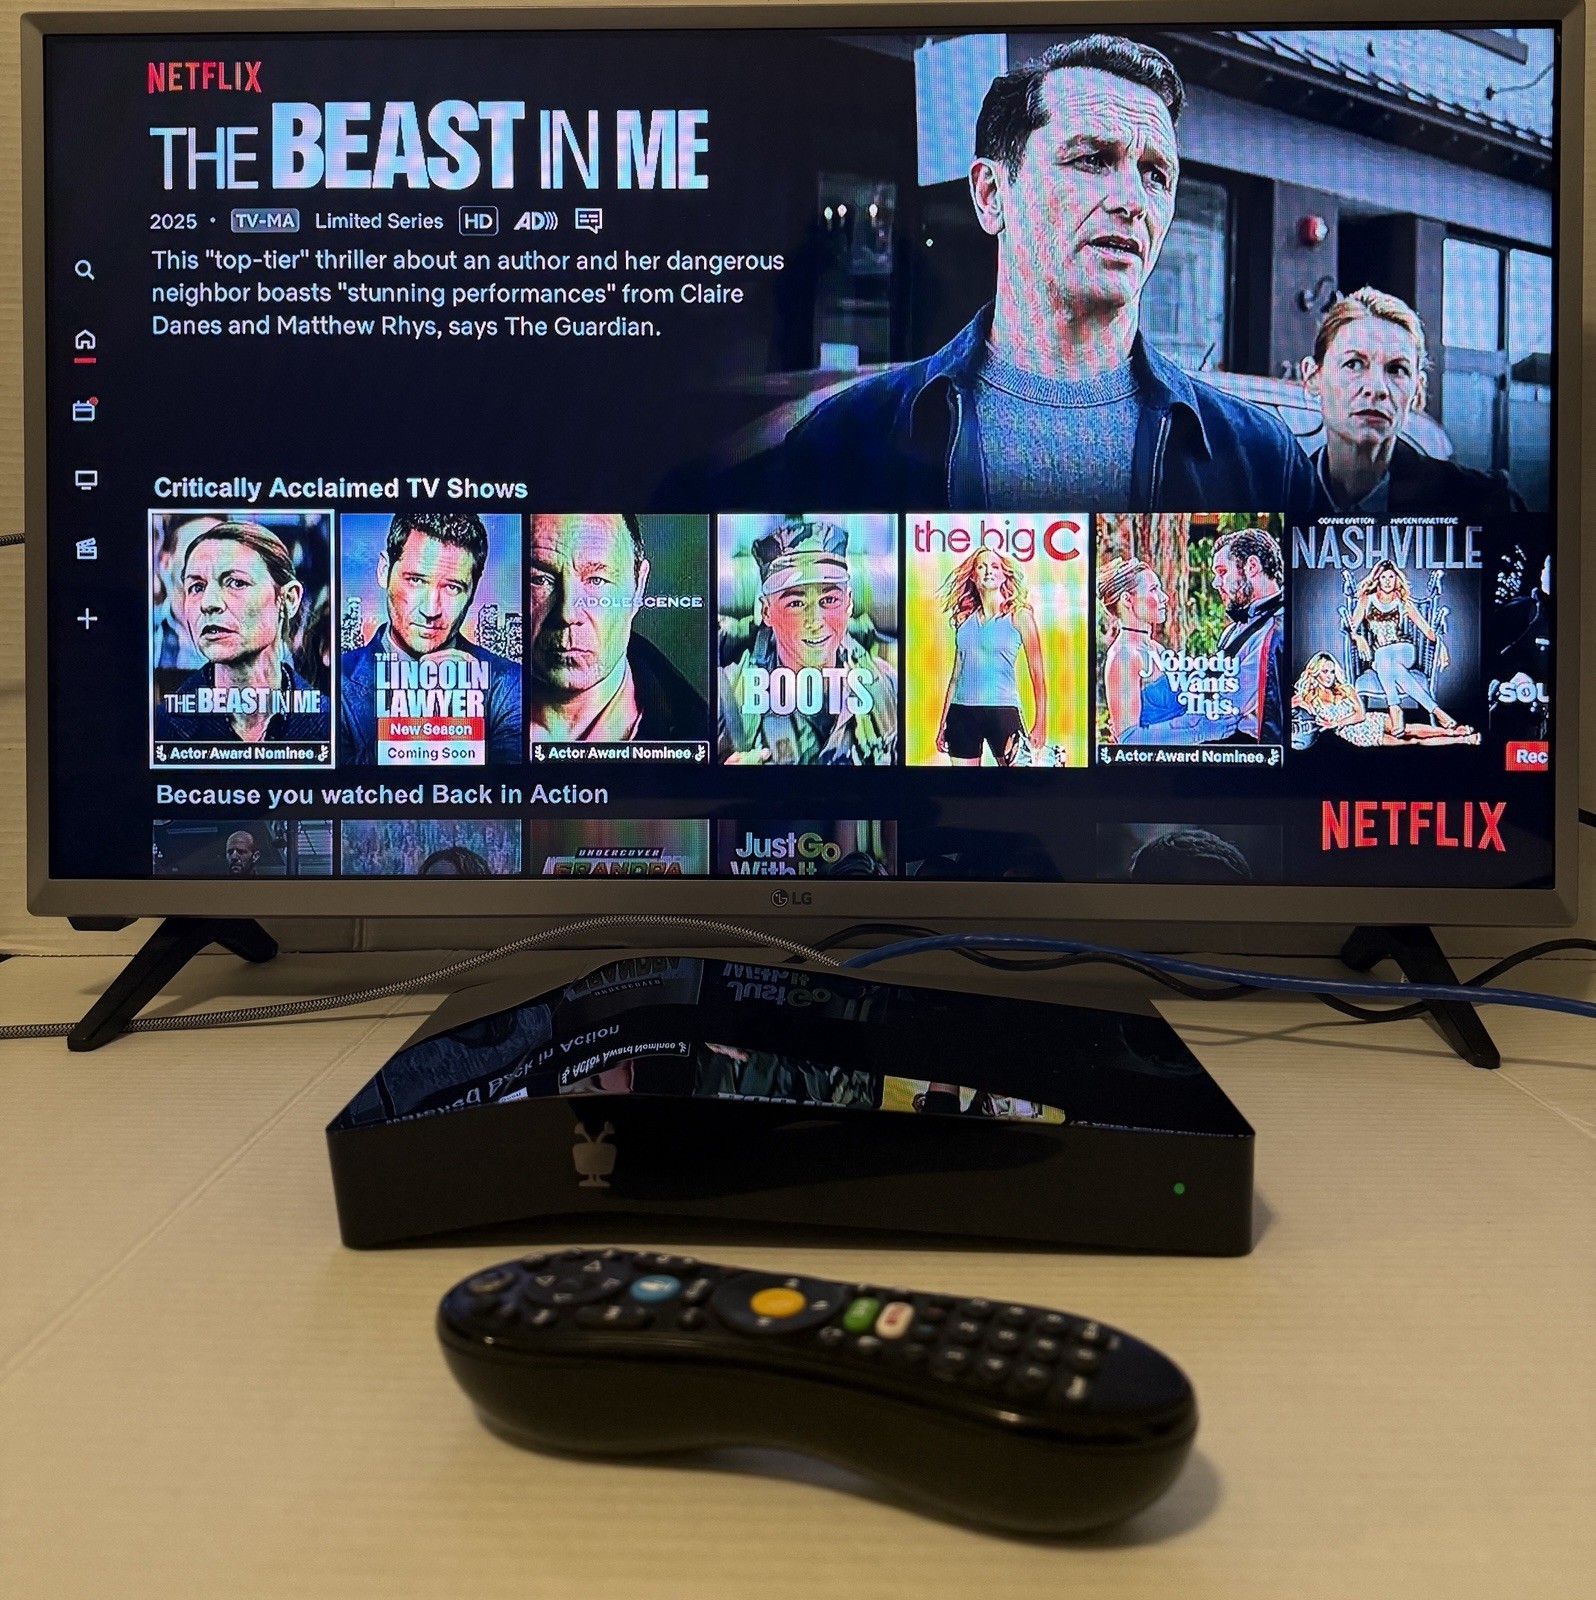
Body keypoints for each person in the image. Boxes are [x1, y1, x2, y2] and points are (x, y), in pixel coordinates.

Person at [759, 35, 1319, 519]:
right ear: (991, 195)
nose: (1131, 201)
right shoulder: (842, 444)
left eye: (1155, 174)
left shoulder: (1263, 461)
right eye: (1092, 159)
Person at [1302, 286, 1525, 515]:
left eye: (1397, 369)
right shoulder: (1283, 495)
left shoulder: (1484, 503)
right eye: (1354, 364)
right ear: (1313, 376)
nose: (1377, 389)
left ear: (1417, 389)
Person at [339, 512, 521, 765]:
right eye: (416, 580)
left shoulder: (510, 684)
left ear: (472, 592)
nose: (431, 609)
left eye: (452, 587)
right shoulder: (333, 681)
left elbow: (514, 783)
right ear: (384, 571)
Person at [718, 519, 898, 765]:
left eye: (829, 600)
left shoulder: (886, 685)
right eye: (796, 603)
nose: (815, 621)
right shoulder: (729, 696)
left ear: (849, 603)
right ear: (767, 612)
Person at [526, 513, 707, 746]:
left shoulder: (702, 738)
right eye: (540, 579)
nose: (568, 613)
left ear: (638, 588)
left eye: (596, 580)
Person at [154, 521, 328, 748]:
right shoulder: (161, 728)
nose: (208, 603)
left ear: (288, 599)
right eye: (197, 587)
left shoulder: (334, 724)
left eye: (236, 583)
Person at [934, 548, 1047, 765]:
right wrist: (943, 723)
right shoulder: (964, 621)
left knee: (1016, 784)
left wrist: (1041, 722)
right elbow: (956, 677)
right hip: (961, 714)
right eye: (981, 566)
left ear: (1004, 575)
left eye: (995, 566)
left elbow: (1038, 675)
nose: (988, 571)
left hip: (1003, 711)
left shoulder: (1020, 617)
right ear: (973, 576)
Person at [1348, 559, 1469, 739]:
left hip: (1403, 650)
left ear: (1396, 579)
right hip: (1381, 657)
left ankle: (1394, 709)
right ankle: (1437, 712)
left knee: (1383, 657)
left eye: (1391, 577)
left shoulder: (1402, 601)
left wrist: (1441, 645)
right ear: (1377, 579)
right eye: (1383, 577)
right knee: (1386, 662)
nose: (1388, 581)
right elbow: (1351, 627)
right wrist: (1358, 638)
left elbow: (1426, 629)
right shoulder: (1367, 600)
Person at [1292, 651, 1478, 746]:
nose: (1330, 676)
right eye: (1325, 671)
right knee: (1412, 741)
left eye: (1332, 671)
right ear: (1315, 672)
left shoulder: (1345, 688)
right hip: (1356, 734)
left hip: (1370, 720)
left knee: (1408, 729)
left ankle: (1455, 732)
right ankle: (1463, 740)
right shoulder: (1308, 697)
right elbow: (1280, 709)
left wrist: (1335, 723)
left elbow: (1360, 715)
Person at [1211, 526, 1286, 745]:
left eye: (1222, 572)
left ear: (1252, 566)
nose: (1216, 583)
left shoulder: (1276, 630)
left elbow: (1225, 705)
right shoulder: (1233, 629)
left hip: (1255, 756)